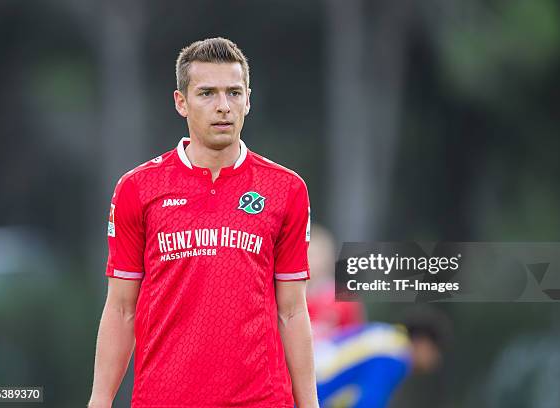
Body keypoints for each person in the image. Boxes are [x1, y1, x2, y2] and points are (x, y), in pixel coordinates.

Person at [88, 37, 318, 408]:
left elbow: (292, 311)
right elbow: (121, 308)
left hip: (262, 399)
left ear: (248, 100)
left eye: (233, 93)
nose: (223, 106)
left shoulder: (286, 189)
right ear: (182, 102)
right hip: (164, 398)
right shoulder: (138, 188)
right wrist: (99, 400)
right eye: (207, 93)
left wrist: (311, 404)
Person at [315, 308, 451, 408]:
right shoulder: (396, 354)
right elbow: (369, 401)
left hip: (302, 386)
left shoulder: (384, 335)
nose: (436, 361)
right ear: (423, 343)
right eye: (435, 351)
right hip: (309, 396)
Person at [306, 224, 366, 341]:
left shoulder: (344, 298)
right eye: (305, 253)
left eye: (314, 255)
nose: (309, 260)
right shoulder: (288, 298)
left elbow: (356, 340)